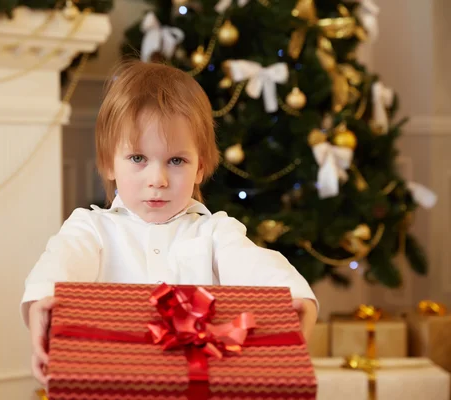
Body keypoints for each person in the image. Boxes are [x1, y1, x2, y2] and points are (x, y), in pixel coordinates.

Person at [21, 60, 318, 384]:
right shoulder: (92, 229)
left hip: (198, 384)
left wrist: (294, 298)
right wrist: (41, 304)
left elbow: (255, 266)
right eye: (138, 158)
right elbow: (61, 263)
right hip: (113, 382)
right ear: (109, 163)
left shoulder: (215, 231)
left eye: (176, 160)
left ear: (200, 167)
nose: (158, 179)